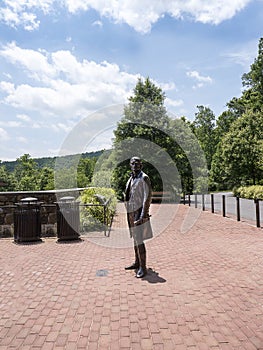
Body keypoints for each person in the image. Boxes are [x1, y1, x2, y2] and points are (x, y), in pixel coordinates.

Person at [124, 156, 153, 278]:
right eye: (132, 163)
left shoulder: (144, 178)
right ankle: (137, 262)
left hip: (139, 213)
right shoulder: (131, 178)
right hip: (131, 213)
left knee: (139, 240)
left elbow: (147, 197)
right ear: (130, 165)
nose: (135, 165)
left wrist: (143, 215)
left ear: (141, 165)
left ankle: (143, 267)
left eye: (137, 163)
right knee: (135, 239)